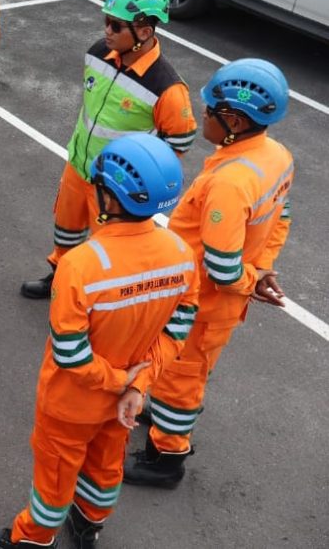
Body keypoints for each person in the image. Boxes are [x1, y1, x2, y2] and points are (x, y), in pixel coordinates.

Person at [0, 134, 198, 549]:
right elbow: (178, 329)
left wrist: (119, 380)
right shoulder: (182, 254)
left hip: (72, 404)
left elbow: (71, 355)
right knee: (104, 468)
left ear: (110, 200)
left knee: (55, 477)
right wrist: (137, 386)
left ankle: (31, 540)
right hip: (123, 405)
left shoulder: (80, 265)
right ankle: (87, 527)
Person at [124, 59, 294, 489]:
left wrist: (251, 279)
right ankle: (159, 409)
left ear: (234, 120)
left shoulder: (232, 182)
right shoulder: (275, 156)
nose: (202, 115)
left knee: (184, 377)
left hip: (203, 302)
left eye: (211, 109)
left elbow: (221, 266)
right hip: (217, 303)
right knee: (182, 369)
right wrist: (265, 265)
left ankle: (166, 457)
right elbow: (282, 214)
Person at [20, 0, 197, 299]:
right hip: (78, 167)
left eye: (116, 26)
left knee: (110, 251)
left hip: (116, 186)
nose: (106, 31)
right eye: (106, 22)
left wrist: (139, 181)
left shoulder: (168, 89)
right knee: (66, 230)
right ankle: (60, 276)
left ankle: (96, 300)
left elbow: (180, 143)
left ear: (144, 31)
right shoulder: (97, 53)